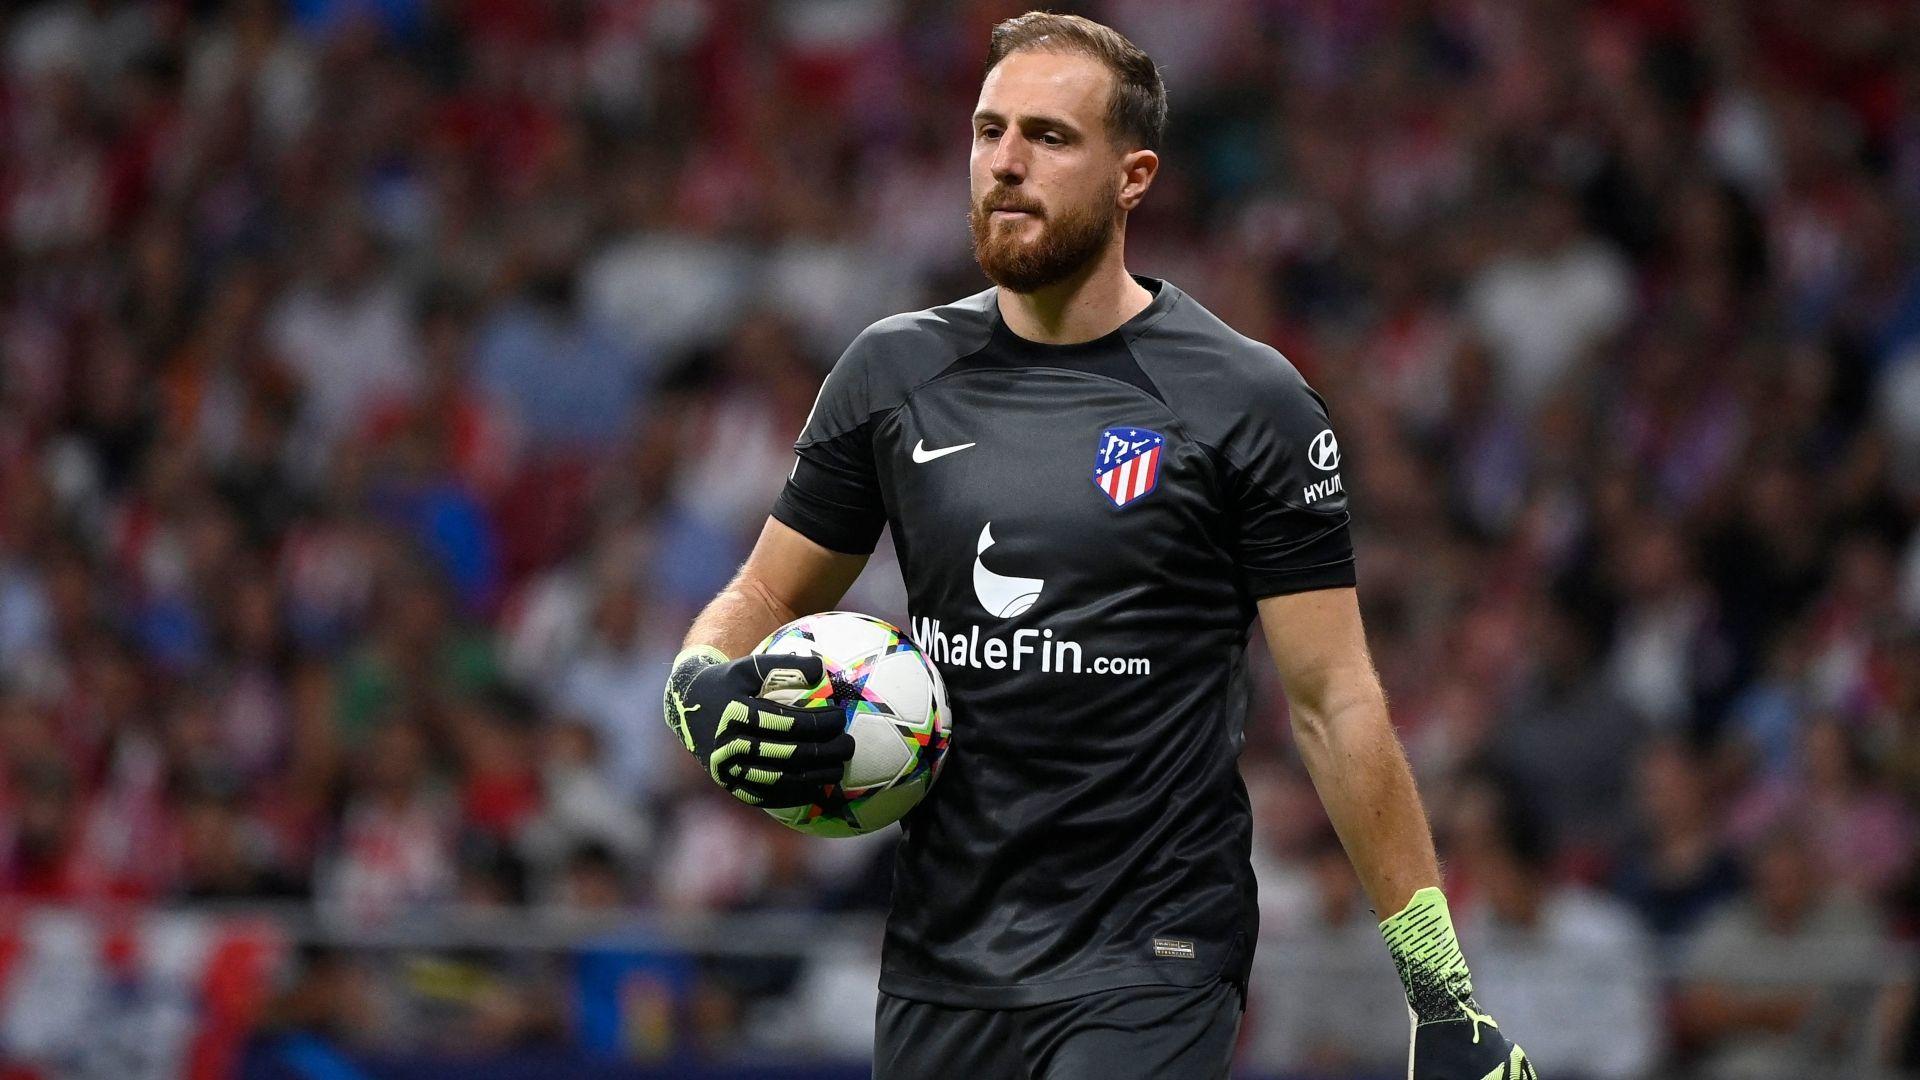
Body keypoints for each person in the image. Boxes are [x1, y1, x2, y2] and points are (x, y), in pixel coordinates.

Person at [662, 12, 1536, 1080]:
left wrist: (1441, 998)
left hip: (1152, 956)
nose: (1006, 163)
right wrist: (698, 684)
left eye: (1049, 136)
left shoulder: (1246, 401)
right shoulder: (891, 373)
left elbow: (1334, 700)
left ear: (1134, 178)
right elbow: (763, 595)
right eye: (989, 131)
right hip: (943, 958)